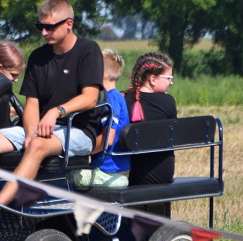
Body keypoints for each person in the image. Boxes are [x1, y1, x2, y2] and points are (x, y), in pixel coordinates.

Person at [0, 0, 104, 206]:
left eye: (49, 27)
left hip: (78, 129)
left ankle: (1, 208)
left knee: (37, 146)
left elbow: (90, 98)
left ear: (69, 24)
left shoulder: (88, 50)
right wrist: (30, 132)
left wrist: (55, 112)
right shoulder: (37, 57)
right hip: (41, 129)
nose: (43, 32)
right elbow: (31, 103)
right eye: (40, 26)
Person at [73, 48, 130, 188]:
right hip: (113, 172)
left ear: (101, 75)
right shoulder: (115, 97)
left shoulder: (110, 99)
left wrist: (82, 151)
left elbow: (108, 140)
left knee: (64, 178)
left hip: (108, 174)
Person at [124, 51, 177, 184]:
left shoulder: (124, 99)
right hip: (163, 175)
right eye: (169, 78)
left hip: (133, 175)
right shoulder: (168, 101)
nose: (171, 83)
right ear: (153, 79)